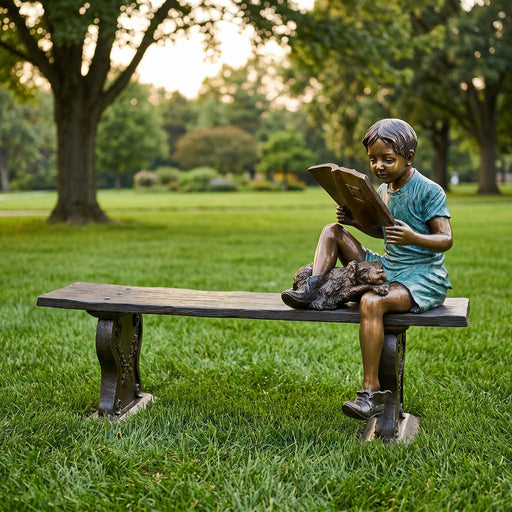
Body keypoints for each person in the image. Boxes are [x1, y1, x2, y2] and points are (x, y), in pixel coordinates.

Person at [281, 118, 453, 420]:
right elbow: (381, 233)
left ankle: (370, 393)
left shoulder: (429, 190)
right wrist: (356, 222)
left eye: (388, 159)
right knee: (332, 230)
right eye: (373, 160)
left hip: (421, 277)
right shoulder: (385, 189)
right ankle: (313, 287)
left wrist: (413, 236)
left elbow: (445, 239)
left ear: (408, 157)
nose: (379, 167)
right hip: (388, 265)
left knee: (371, 302)